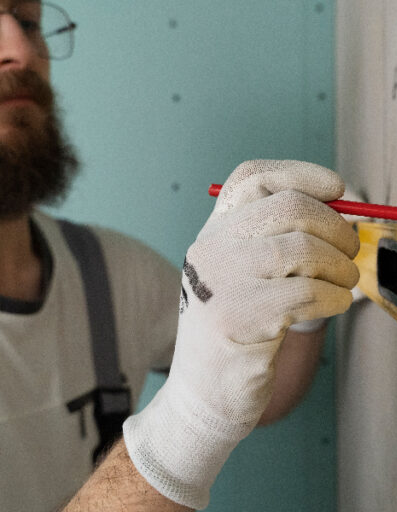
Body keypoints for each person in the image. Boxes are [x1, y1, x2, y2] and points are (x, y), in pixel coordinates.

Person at [0, 3, 359, 511]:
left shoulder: (105, 273)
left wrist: (298, 281)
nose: (20, 50)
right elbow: (205, 405)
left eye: (28, 22)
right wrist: (190, 416)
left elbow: (258, 396)